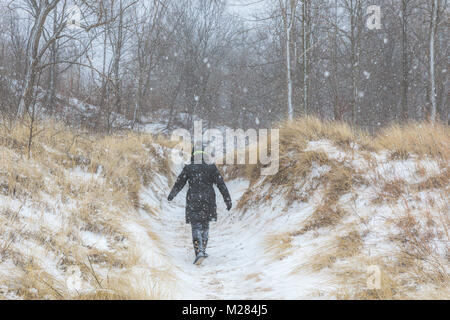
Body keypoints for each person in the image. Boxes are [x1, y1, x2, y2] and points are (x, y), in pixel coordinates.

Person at [167, 147, 232, 265]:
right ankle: (202, 250)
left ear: (193, 155)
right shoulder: (211, 167)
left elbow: (179, 183)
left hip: (193, 200)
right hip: (209, 200)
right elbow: (221, 184)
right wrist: (227, 200)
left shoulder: (189, 168)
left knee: (196, 225)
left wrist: (172, 195)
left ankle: (199, 251)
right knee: (205, 225)